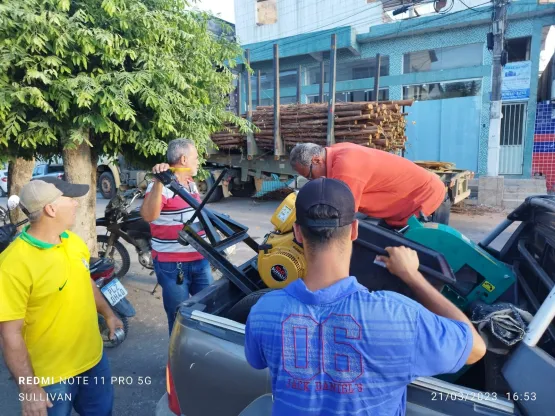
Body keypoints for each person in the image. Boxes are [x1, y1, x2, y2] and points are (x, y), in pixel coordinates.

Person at [244, 177, 486, 416]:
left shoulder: (264, 311)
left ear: (297, 232)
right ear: (354, 230)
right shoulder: (397, 317)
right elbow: (476, 349)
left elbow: (257, 361)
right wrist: (413, 277)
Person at [0, 178, 123, 416]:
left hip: (94, 361)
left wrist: (109, 314)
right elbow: (9, 334)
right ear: (51, 209)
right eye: (70, 199)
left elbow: (84, 281)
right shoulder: (12, 264)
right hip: (50, 377)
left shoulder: (72, 241)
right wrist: (29, 388)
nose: (76, 205)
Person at [141, 138, 213, 335]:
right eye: (196, 157)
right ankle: (177, 361)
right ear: (183, 159)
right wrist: (158, 181)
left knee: (208, 311)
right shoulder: (161, 186)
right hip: (173, 265)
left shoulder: (190, 184)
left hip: (200, 260)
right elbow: (149, 216)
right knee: (179, 316)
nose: (198, 161)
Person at [289, 142, 451, 227]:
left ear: (317, 160)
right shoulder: (335, 151)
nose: (312, 180)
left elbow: (341, 213)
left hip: (425, 203)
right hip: (407, 207)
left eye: (309, 175)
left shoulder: (346, 167)